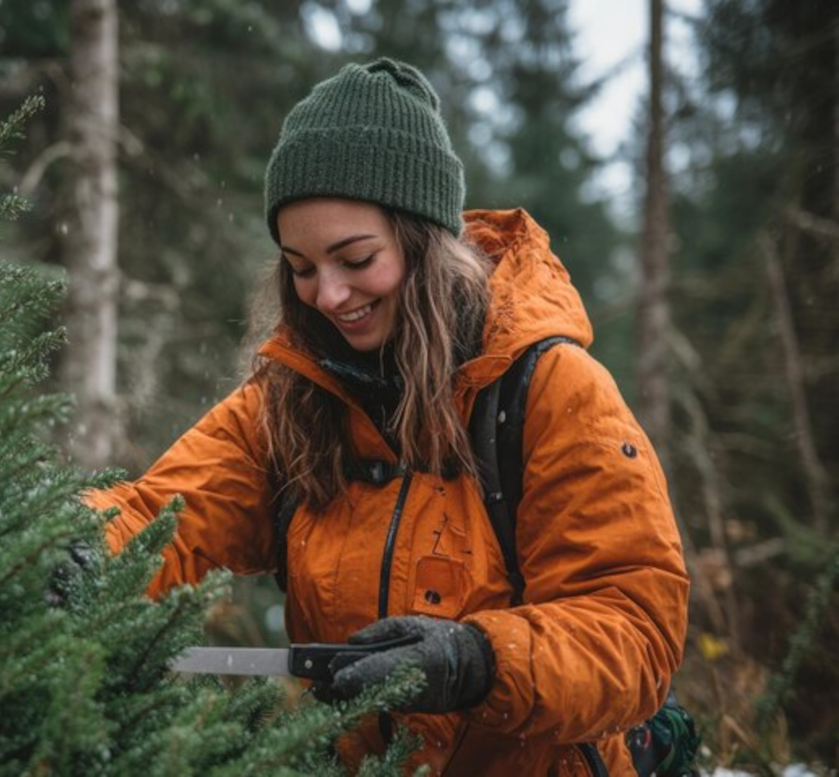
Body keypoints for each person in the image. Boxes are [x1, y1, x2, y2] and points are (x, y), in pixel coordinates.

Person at [84, 58, 689, 775]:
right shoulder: (288, 401)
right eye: (301, 267)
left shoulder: (555, 392)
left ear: (423, 239)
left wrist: (478, 660)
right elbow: (161, 516)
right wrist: (71, 549)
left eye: (356, 258)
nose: (328, 295)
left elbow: (632, 632)